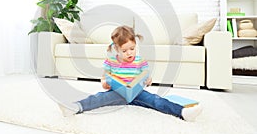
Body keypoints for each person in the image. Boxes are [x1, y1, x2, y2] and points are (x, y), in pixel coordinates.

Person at [58, 25, 202, 121]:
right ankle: (74, 107)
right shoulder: (111, 62)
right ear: (117, 49)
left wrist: (148, 80)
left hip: (137, 93)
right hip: (118, 93)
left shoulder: (140, 60)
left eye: (132, 48)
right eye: (125, 50)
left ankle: (182, 113)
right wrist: (105, 83)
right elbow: (104, 79)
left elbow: (147, 77)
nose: (129, 53)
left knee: (156, 100)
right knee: (98, 98)